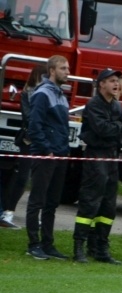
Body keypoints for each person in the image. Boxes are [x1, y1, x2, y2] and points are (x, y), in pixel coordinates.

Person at [72, 68, 122, 265]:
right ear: (101, 84)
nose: (116, 84)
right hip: (96, 156)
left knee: (108, 205)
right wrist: (117, 129)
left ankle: (100, 248)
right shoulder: (94, 105)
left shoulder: (117, 106)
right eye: (112, 80)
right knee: (90, 201)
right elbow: (103, 129)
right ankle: (79, 247)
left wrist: (117, 131)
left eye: (117, 81)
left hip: (112, 157)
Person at [25, 55, 71, 260]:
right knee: (37, 200)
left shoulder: (61, 95)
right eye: (63, 68)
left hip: (60, 154)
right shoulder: (43, 93)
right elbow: (34, 126)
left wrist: (63, 151)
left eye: (67, 68)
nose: (67, 72)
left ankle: (47, 243)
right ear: (52, 70)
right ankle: (33, 244)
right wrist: (46, 149)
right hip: (45, 155)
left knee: (52, 202)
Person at [2, 64, 48, 230]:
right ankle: (8, 212)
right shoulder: (27, 93)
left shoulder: (48, 94)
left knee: (40, 180)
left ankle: (34, 215)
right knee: (22, 177)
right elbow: (29, 117)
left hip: (43, 140)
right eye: (44, 76)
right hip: (29, 139)